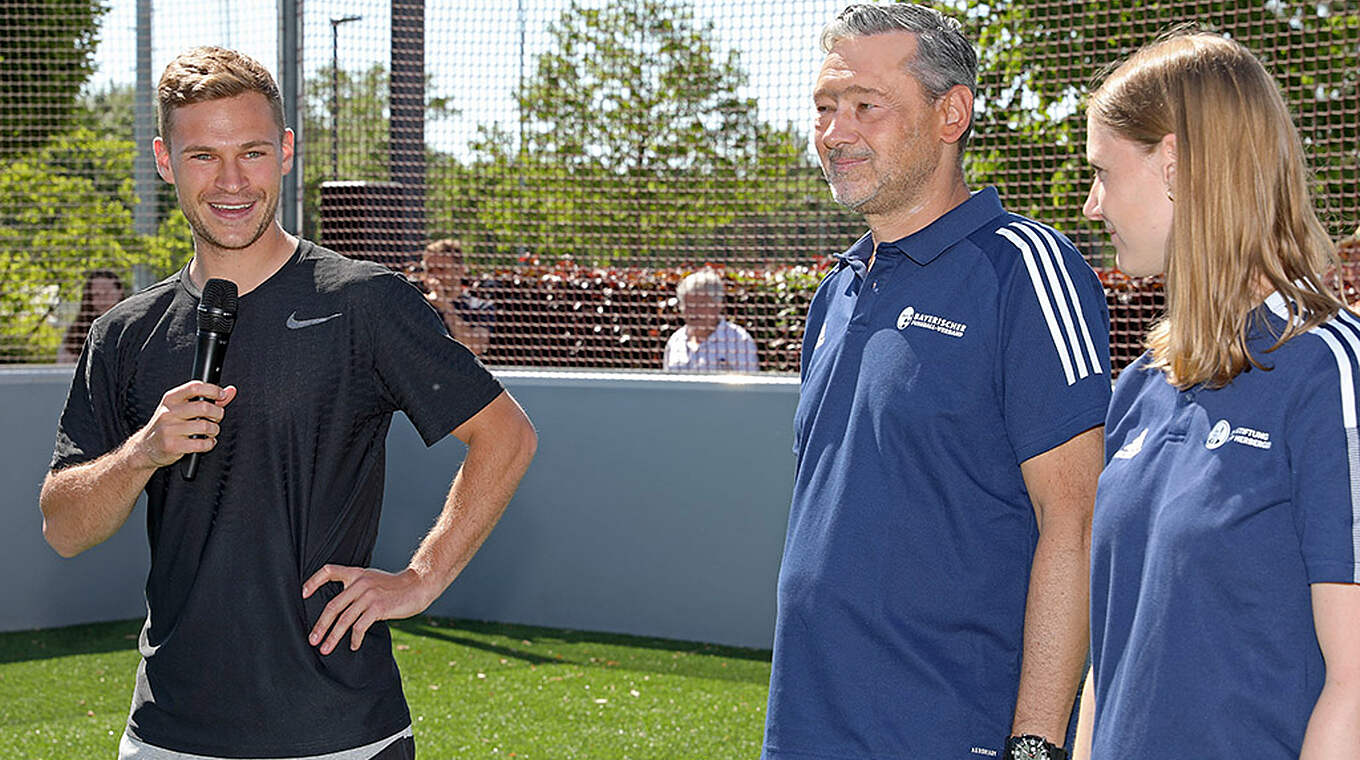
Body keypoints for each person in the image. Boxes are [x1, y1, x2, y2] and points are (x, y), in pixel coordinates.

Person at [38, 47, 537, 760]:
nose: (232, 181)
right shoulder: (126, 331)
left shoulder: (364, 301)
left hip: (341, 732)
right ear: (164, 160)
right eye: (204, 155)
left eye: (252, 151)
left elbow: (506, 436)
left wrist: (422, 578)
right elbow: (63, 527)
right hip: (169, 735)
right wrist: (143, 451)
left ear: (287, 152)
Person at [762, 5, 1111, 760]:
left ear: (952, 112)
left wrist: (1036, 743)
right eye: (824, 108)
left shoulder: (1023, 269)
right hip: (805, 729)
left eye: (865, 106)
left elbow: (1076, 523)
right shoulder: (838, 289)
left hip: (950, 732)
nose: (835, 132)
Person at [1073, 31, 1360, 759]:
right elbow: (1111, 657)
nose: (1089, 205)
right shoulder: (1139, 385)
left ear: (1173, 164)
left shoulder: (1330, 374)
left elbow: (1354, 686)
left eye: (1103, 172)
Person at [662, 268, 758, 372]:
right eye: (688, 305)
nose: (694, 311)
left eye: (701, 304)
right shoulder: (676, 341)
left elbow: (750, 386)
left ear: (718, 305)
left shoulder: (738, 341)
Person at [419, 237, 494, 357]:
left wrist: (445, 307)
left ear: (460, 271)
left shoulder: (480, 307)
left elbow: (475, 347)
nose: (435, 275)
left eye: (442, 269)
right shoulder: (416, 304)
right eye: (430, 270)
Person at [58, 269, 125, 363]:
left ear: (120, 292)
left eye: (107, 292)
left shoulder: (134, 327)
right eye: (96, 294)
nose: (103, 298)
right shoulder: (75, 335)